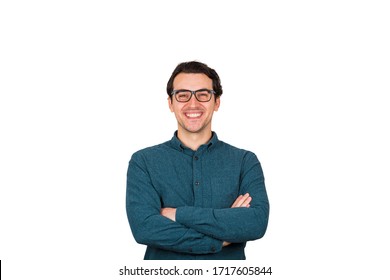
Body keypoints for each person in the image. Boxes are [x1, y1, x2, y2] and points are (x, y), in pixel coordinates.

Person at [126, 61, 269, 260]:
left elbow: (255, 223)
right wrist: (221, 238)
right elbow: (144, 228)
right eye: (183, 95)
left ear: (216, 102)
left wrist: (176, 214)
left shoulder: (245, 161)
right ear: (170, 103)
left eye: (203, 94)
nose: (193, 104)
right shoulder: (143, 162)